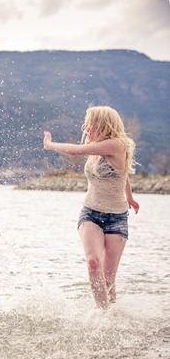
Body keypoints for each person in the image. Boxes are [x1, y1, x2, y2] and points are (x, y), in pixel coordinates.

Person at [44, 105, 139, 310]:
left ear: (101, 124)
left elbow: (75, 151)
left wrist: (50, 145)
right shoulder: (97, 146)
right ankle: (101, 317)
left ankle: (112, 319)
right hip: (90, 213)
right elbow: (123, 175)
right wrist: (130, 196)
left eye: (89, 123)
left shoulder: (115, 144)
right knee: (94, 262)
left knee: (108, 280)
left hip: (117, 219)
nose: (85, 127)